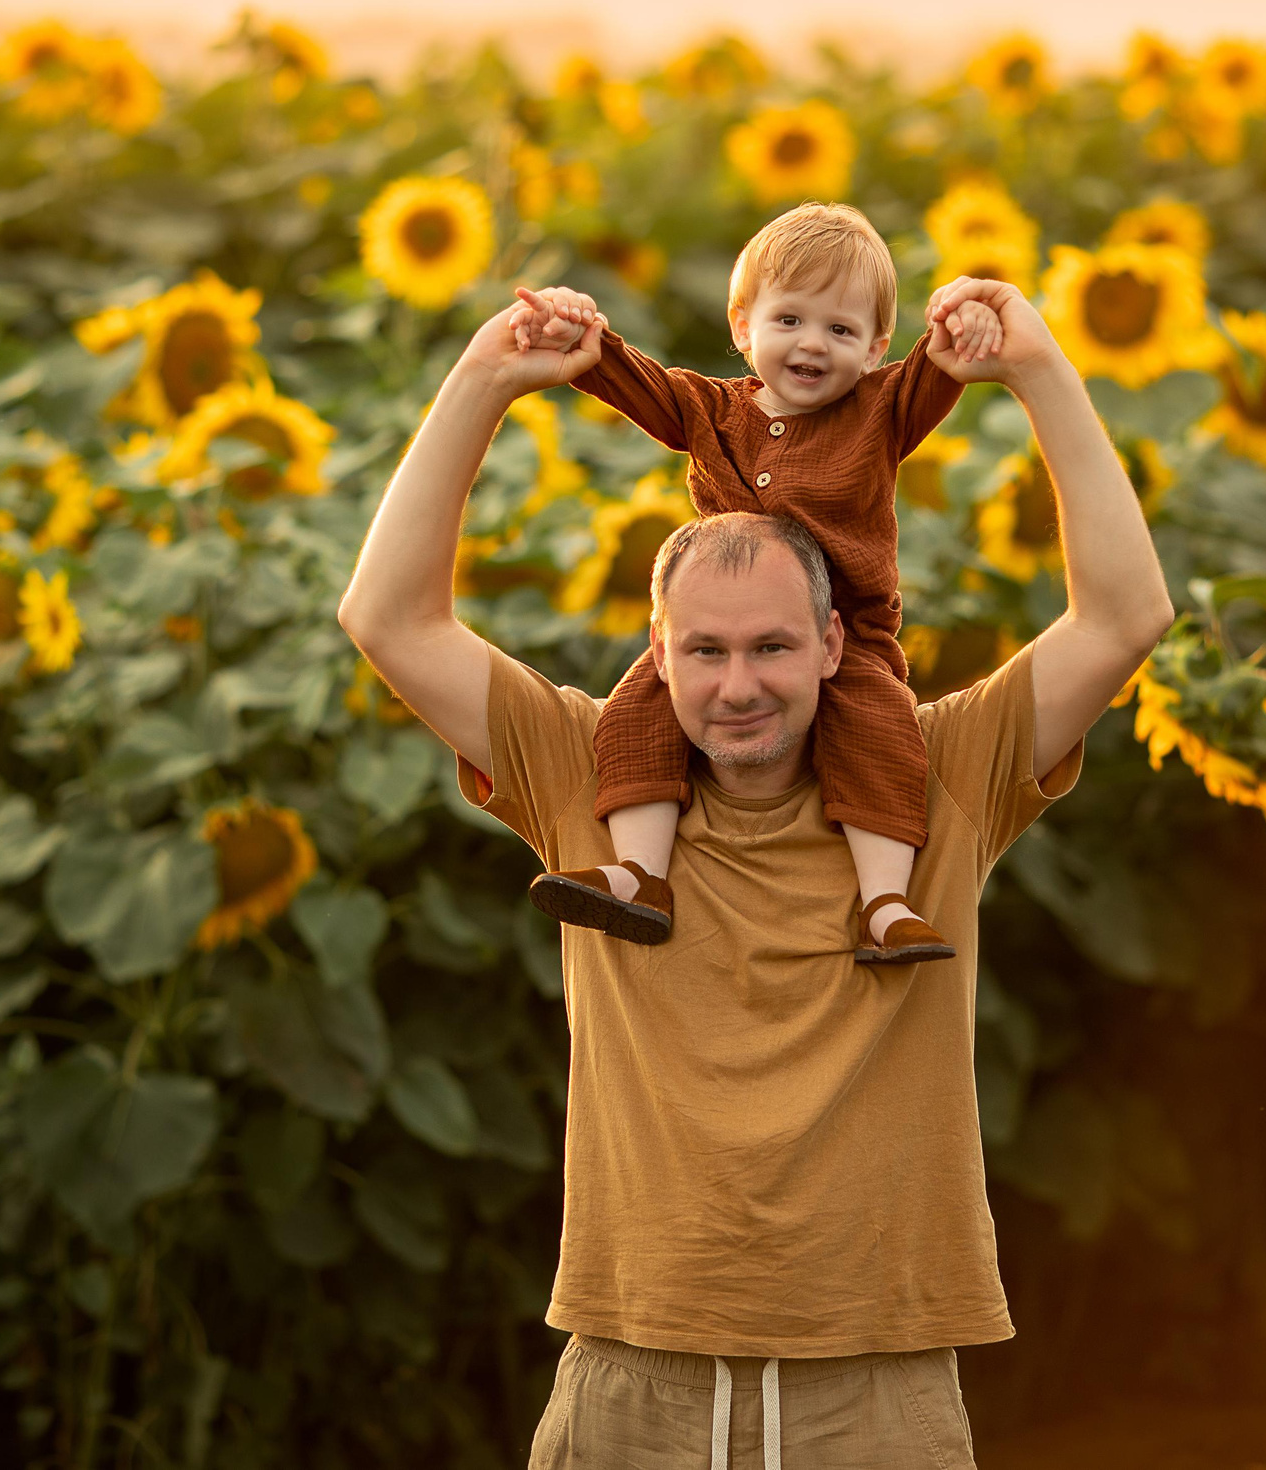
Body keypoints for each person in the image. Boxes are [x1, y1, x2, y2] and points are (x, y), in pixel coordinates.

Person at [334, 264, 1173, 1469]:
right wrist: (482, 380)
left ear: (836, 642)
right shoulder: (583, 773)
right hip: (632, 1370)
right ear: (658, 657)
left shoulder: (944, 775)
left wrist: (1037, 371)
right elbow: (389, 621)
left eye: (774, 646)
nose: (739, 686)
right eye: (708, 651)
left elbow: (1123, 617)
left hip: (876, 1381)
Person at [503, 201, 1005, 967]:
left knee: (882, 729)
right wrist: (582, 335)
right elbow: (633, 380)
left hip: (848, 631)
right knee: (639, 707)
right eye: (790, 320)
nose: (812, 344)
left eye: (840, 331)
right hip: (727, 629)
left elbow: (940, 367)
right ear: (744, 326)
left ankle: (884, 903)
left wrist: (961, 321)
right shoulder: (711, 409)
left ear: (874, 348)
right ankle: (640, 874)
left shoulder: (882, 412)